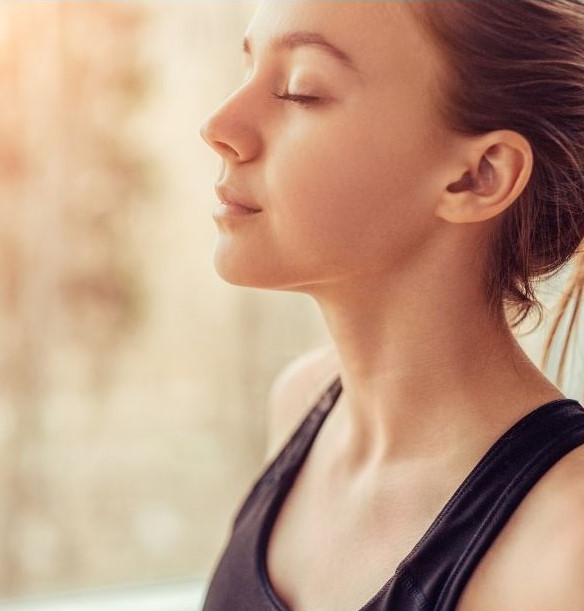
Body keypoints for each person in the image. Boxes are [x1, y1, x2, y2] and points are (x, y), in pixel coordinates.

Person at [197, 1, 584, 610]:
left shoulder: (567, 541)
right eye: (246, 69)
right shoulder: (301, 402)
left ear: (478, 176)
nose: (218, 125)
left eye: (301, 91)